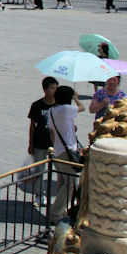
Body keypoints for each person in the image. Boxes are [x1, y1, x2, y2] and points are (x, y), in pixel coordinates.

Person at [49, 85, 85, 223]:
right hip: (67, 151)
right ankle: (56, 213)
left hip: (58, 150)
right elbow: (82, 108)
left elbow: (53, 132)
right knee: (70, 183)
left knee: (62, 182)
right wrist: (76, 98)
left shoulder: (52, 111)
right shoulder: (65, 109)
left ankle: (62, 209)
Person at [26, 77, 58, 203]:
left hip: (55, 144)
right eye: (52, 88)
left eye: (56, 88)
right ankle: (40, 194)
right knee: (39, 170)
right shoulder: (37, 105)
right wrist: (30, 143)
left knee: (60, 169)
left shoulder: (59, 106)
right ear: (45, 89)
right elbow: (32, 125)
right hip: (39, 143)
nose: (55, 91)